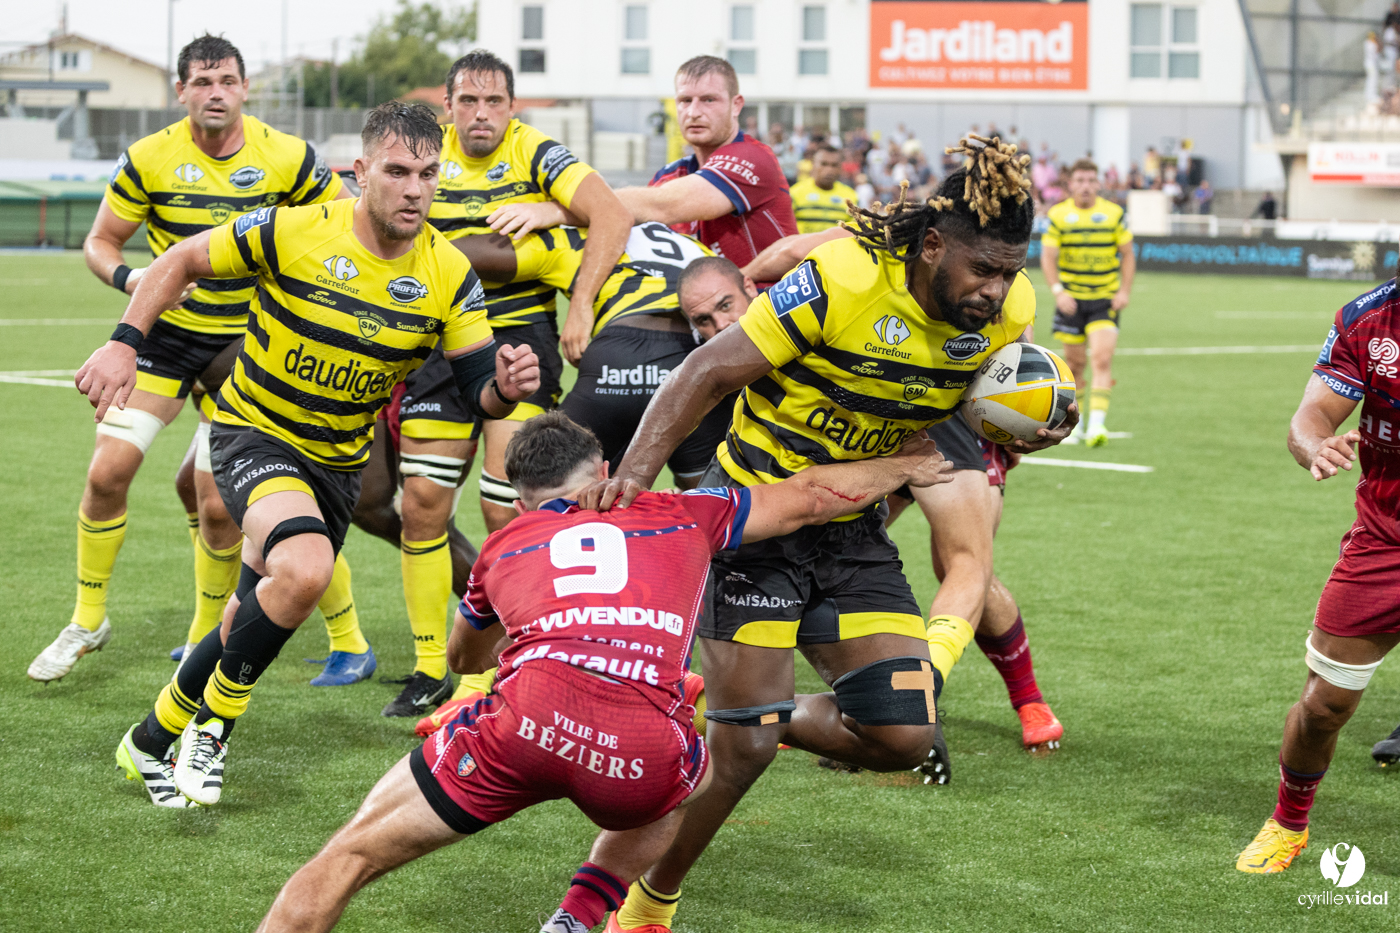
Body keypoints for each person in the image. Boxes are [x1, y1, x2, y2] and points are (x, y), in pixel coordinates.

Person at [590, 138, 1076, 933]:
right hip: (756, 515)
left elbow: (961, 399)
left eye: (1011, 271)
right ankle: (649, 902)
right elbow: (707, 369)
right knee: (741, 754)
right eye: (983, 269)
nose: (998, 291)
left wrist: (1025, 421)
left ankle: (749, 706)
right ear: (932, 246)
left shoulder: (1008, 313)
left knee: (900, 733)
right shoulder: (846, 277)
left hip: (850, 529)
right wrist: (634, 478)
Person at [253, 412, 955, 933]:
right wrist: (902, 468)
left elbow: (463, 657)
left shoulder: (506, 542)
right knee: (691, 764)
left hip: (520, 726)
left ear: (524, 496)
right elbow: (807, 496)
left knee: (345, 858)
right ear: (603, 467)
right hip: (637, 751)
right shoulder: (685, 513)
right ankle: (582, 911)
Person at [91, 101, 540, 808]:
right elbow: (179, 260)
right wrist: (124, 340)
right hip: (255, 432)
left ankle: (148, 739)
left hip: (336, 463)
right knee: (304, 569)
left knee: (253, 610)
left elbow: (477, 386)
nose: (415, 188)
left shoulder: (449, 273)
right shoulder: (294, 229)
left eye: (428, 173)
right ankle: (215, 725)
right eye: (397, 171)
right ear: (360, 172)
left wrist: (504, 390)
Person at [28, 34, 349, 684]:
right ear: (180, 92)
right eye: (202, 82)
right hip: (168, 336)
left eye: (226, 80)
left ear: (245, 87)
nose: (215, 93)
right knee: (106, 472)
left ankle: (206, 631)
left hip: (250, 346)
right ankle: (88, 618)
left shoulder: (287, 157)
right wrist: (130, 280)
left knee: (217, 503)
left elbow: (344, 222)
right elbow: (100, 240)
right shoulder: (150, 158)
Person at [411, 223, 731, 736]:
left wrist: (422, 239)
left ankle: (487, 686)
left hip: (616, 355)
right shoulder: (694, 251)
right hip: (689, 367)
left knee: (547, 504)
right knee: (708, 525)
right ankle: (715, 690)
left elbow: (493, 255)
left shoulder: (580, 238)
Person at [429, 49, 631, 535]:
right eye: (469, 99)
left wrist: (579, 306)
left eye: (495, 100)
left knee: (504, 505)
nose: (482, 112)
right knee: (422, 503)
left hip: (519, 333)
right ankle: (472, 611)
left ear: (513, 105)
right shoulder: (426, 149)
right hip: (436, 336)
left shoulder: (535, 150)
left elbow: (612, 213)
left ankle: (523, 609)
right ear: (448, 103)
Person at [1235, 279, 1400, 872]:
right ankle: (1288, 822)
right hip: (1386, 544)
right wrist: (1313, 446)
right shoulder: (1368, 320)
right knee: (1325, 704)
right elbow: (1312, 415)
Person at [1040, 158, 1134, 447]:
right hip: (1071, 301)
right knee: (1075, 365)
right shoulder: (1057, 215)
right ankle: (1076, 426)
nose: (1085, 186)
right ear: (1070, 184)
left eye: (1091, 180)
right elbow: (1048, 257)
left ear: (1098, 183)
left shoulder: (1113, 214)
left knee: (1102, 359)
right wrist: (1059, 291)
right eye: (1080, 180)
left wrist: (1124, 291)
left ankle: (1097, 426)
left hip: (1104, 299)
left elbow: (1128, 254)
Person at [789, 144, 857, 233]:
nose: (829, 170)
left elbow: (854, 231)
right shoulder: (795, 193)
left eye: (834, 165)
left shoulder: (850, 196)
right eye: (823, 164)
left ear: (840, 168)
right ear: (813, 164)